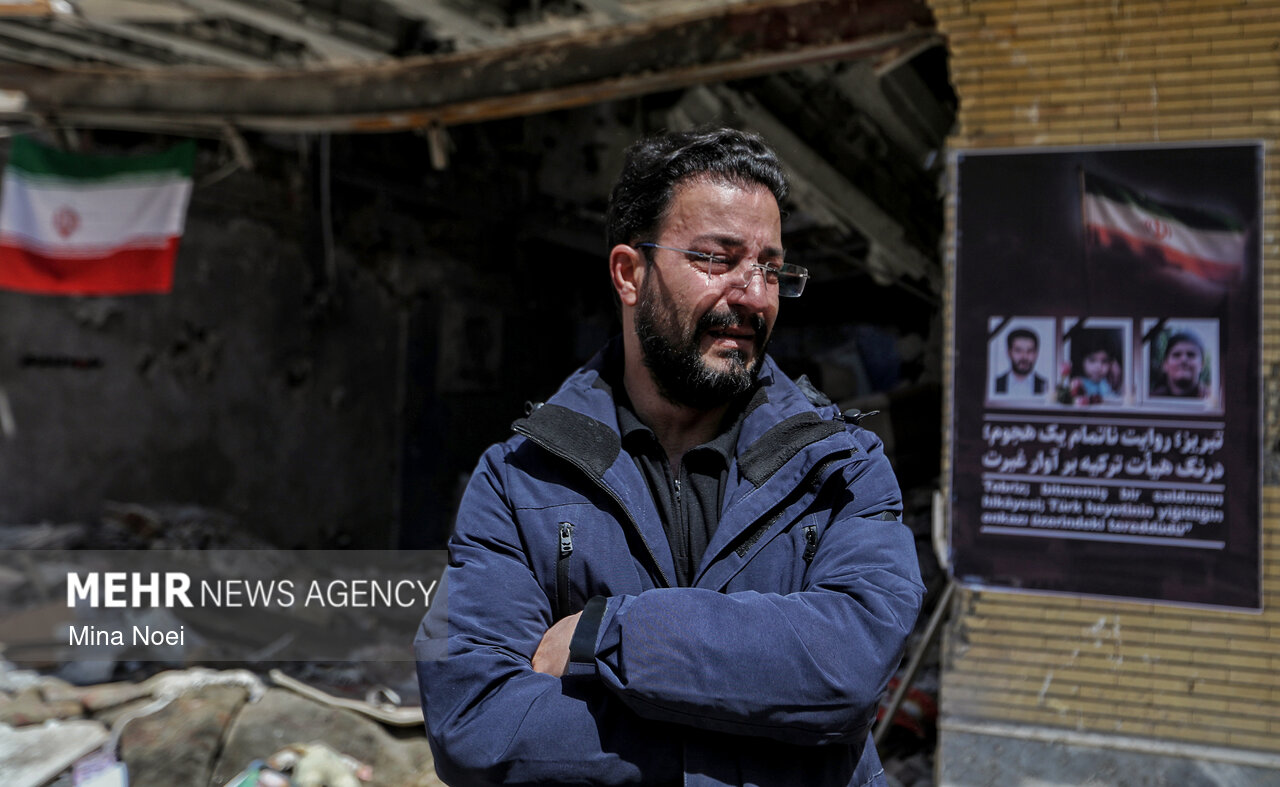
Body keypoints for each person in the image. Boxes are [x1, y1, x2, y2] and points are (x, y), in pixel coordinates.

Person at [415, 128, 924, 787]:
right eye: (718, 259)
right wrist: (768, 732)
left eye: (771, 268)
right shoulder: (520, 481)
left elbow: (846, 669)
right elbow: (476, 724)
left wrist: (610, 633)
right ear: (629, 274)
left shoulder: (842, 469)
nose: (755, 295)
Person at [1059, 327, 1122, 405]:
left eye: (1104, 361)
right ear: (1081, 360)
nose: (1099, 367)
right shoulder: (1078, 383)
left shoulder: (1106, 383)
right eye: (1092, 360)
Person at [993, 327, 1047, 397]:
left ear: (1036, 354)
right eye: (1018, 351)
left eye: (1030, 351)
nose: (1024, 357)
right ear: (1009, 353)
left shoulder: (1045, 386)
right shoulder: (995, 384)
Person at [1151, 331, 1207, 398]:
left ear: (1202, 364)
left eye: (1191, 355)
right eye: (1176, 355)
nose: (1183, 360)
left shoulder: (1212, 399)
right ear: (1165, 364)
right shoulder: (1151, 398)